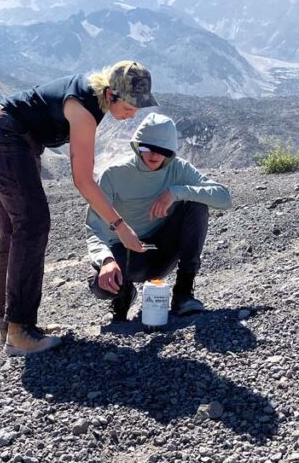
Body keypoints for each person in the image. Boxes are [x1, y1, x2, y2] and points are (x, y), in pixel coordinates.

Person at [0, 61, 157, 355]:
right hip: (5, 138)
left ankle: (11, 326)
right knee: (33, 225)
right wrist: (120, 226)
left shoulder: (93, 98)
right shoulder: (84, 108)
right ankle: (19, 330)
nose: (133, 112)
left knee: (16, 232)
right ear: (111, 93)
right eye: (130, 104)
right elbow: (83, 181)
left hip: (9, 138)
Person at [85, 113, 232, 321]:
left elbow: (224, 197)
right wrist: (106, 260)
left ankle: (183, 293)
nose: (154, 155)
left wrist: (175, 192)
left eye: (162, 151)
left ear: (170, 153)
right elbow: (94, 227)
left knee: (197, 204)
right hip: (126, 253)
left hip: (162, 251)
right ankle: (123, 294)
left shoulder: (178, 169)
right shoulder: (113, 175)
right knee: (101, 286)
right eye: (147, 148)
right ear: (137, 145)